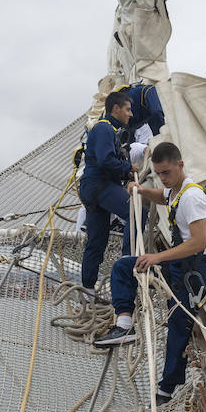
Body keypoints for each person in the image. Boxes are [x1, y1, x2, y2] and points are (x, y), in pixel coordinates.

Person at [94, 142, 206, 406]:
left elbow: (198, 241)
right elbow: (163, 196)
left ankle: (166, 389)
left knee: (178, 324)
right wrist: (141, 190)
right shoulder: (175, 190)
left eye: (167, 172)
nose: (163, 177)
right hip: (179, 262)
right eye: (159, 173)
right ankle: (124, 327)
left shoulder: (193, 197)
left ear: (180, 165)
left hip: (199, 267)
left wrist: (156, 257)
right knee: (124, 267)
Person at [78, 91, 136, 295]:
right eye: (128, 109)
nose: (130, 114)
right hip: (99, 184)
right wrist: (128, 168)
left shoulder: (105, 129)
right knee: (137, 211)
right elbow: (105, 160)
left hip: (91, 189)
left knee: (97, 241)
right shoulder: (105, 128)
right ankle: (128, 260)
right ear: (116, 109)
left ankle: (87, 290)